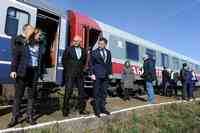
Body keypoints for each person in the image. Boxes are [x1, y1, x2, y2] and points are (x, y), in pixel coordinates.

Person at [8, 24, 35, 127]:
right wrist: (13, 70)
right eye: (32, 31)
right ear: (26, 30)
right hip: (22, 71)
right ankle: (14, 117)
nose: (33, 33)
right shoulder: (17, 39)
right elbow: (15, 56)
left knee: (31, 95)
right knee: (18, 95)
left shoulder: (33, 41)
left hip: (32, 72)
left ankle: (29, 116)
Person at [62, 35, 87, 116]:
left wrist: (82, 70)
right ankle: (65, 111)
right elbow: (64, 60)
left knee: (82, 93)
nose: (75, 42)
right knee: (68, 92)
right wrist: (68, 71)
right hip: (70, 74)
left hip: (80, 75)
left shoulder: (84, 50)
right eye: (74, 41)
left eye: (77, 41)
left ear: (80, 42)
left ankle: (81, 110)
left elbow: (84, 62)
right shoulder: (68, 49)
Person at [90, 37, 112, 118]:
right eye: (99, 43)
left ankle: (103, 108)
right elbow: (91, 64)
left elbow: (109, 63)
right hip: (97, 75)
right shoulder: (94, 52)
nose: (100, 45)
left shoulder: (108, 52)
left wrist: (110, 73)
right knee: (96, 93)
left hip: (105, 75)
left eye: (102, 44)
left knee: (104, 93)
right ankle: (97, 110)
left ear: (105, 44)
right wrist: (92, 73)